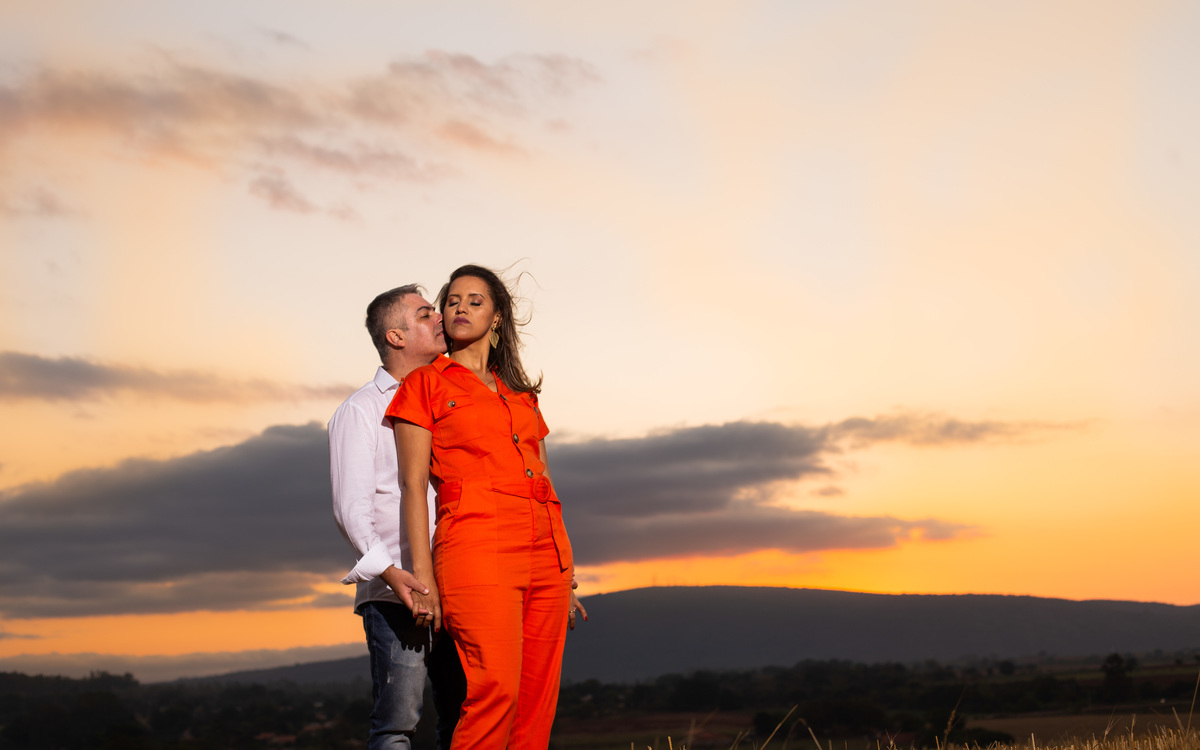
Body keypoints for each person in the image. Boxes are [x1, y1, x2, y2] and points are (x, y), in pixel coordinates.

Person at [387, 265, 584, 750]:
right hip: (476, 548)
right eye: (452, 300)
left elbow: (545, 478)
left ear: (497, 318)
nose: (460, 308)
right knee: (494, 691)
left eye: (476, 301)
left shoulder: (523, 397)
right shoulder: (424, 385)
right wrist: (424, 578)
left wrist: (567, 574)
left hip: (546, 555)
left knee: (536, 702)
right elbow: (413, 486)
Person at [329, 284, 466, 750]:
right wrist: (392, 574)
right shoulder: (361, 410)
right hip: (395, 595)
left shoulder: (449, 399)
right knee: (397, 727)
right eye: (426, 313)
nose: (441, 318)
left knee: (465, 718)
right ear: (396, 337)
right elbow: (351, 509)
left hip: (457, 583)